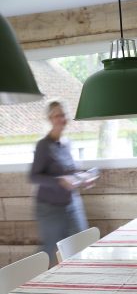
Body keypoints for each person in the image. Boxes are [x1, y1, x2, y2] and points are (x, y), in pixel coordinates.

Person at [29, 100, 89, 265]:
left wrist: (84, 178)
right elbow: (34, 177)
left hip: (72, 203)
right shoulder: (43, 145)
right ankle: (28, 276)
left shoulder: (67, 143)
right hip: (50, 208)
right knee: (51, 249)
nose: (61, 118)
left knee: (82, 242)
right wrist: (59, 181)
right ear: (50, 119)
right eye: (57, 115)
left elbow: (69, 171)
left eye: (63, 115)